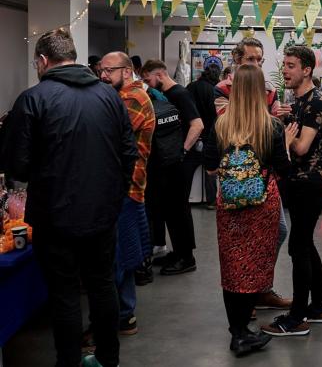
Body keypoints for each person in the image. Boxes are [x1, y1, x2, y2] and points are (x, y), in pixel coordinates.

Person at [5, 28, 138, 367]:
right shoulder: (110, 97)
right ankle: (108, 359)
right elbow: (128, 154)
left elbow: (17, 165)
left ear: (43, 61)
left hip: (53, 217)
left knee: (64, 294)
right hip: (102, 214)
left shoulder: (33, 99)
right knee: (103, 285)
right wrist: (114, 195)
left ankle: (68, 362)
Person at [204, 65, 298, 356]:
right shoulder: (271, 126)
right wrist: (287, 145)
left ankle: (238, 332)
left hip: (229, 205)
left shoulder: (220, 125)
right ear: (260, 91)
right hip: (262, 206)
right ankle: (244, 332)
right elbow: (283, 169)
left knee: (232, 266)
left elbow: (209, 167)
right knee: (255, 265)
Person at [214, 37, 291, 311]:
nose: (256, 64)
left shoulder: (268, 92)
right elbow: (241, 135)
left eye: (259, 59)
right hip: (238, 179)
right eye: (250, 59)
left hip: (257, 180)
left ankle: (257, 290)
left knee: (274, 233)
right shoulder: (223, 90)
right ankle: (252, 292)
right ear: (237, 61)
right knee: (241, 243)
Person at [262, 45, 322, 337]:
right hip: (301, 182)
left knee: (298, 248)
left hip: (310, 184)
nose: (285, 71)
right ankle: (319, 308)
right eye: (285, 65)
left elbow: (301, 146)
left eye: (291, 66)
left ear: (307, 69)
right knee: (306, 245)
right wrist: (287, 122)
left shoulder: (317, 100)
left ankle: (297, 318)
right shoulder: (300, 100)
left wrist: (283, 130)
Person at [99, 52, 155, 335]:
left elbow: (105, 136)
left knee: (119, 258)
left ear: (128, 70)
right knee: (121, 255)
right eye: (101, 70)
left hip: (126, 188)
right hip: (124, 187)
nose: (103, 75)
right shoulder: (121, 96)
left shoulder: (132, 99)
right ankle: (122, 315)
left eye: (109, 70)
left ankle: (120, 318)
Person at [141, 60, 202, 275]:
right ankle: (178, 252)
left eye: (148, 79)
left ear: (159, 74)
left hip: (179, 162)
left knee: (178, 209)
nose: (147, 83)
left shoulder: (180, 94)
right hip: (167, 163)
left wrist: (182, 151)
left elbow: (197, 124)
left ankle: (187, 257)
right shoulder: (163, 97)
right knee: (168, 209)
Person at [186, 63, 220, 208]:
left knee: (188, 168)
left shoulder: (191, 87)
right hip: (209, 135)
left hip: (191, 132)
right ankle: (211, 201)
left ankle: (185, 198)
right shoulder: (215, 90)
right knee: (210, 169)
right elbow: (216, 115)